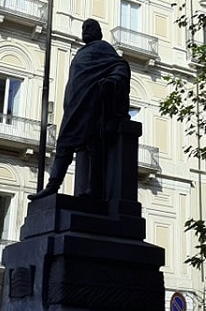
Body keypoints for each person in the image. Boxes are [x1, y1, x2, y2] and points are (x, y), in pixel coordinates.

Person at [28, 18, 131, 200]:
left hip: (91, 105)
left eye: (90, 28)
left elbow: (121, 65)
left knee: (93, 149)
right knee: (64, 146)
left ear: (99, 32)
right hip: (75, 106)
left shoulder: (102, 47)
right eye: (84, 28)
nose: (85, 30)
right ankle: (53, 187)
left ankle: (93, 189)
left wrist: (113, 80)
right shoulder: (81, 52)